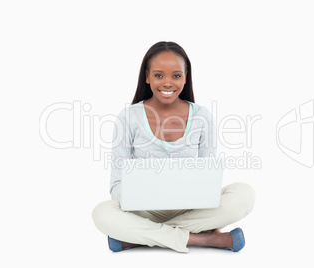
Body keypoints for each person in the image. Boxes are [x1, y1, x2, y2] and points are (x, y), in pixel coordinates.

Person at [92, 41, 256, 253]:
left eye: (176, 76)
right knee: (102, 213)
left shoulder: (202, 116)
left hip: (192, 208)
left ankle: (139, 237)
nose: (167, 83)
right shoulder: (128, 117)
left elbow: (209, 175)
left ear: (186, 77)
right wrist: (138, 197)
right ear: (147, 76)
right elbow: (117, 184)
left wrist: (201, 193)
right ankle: (203, 239)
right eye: (159, 75)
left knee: (244, 194)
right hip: (145, 210)